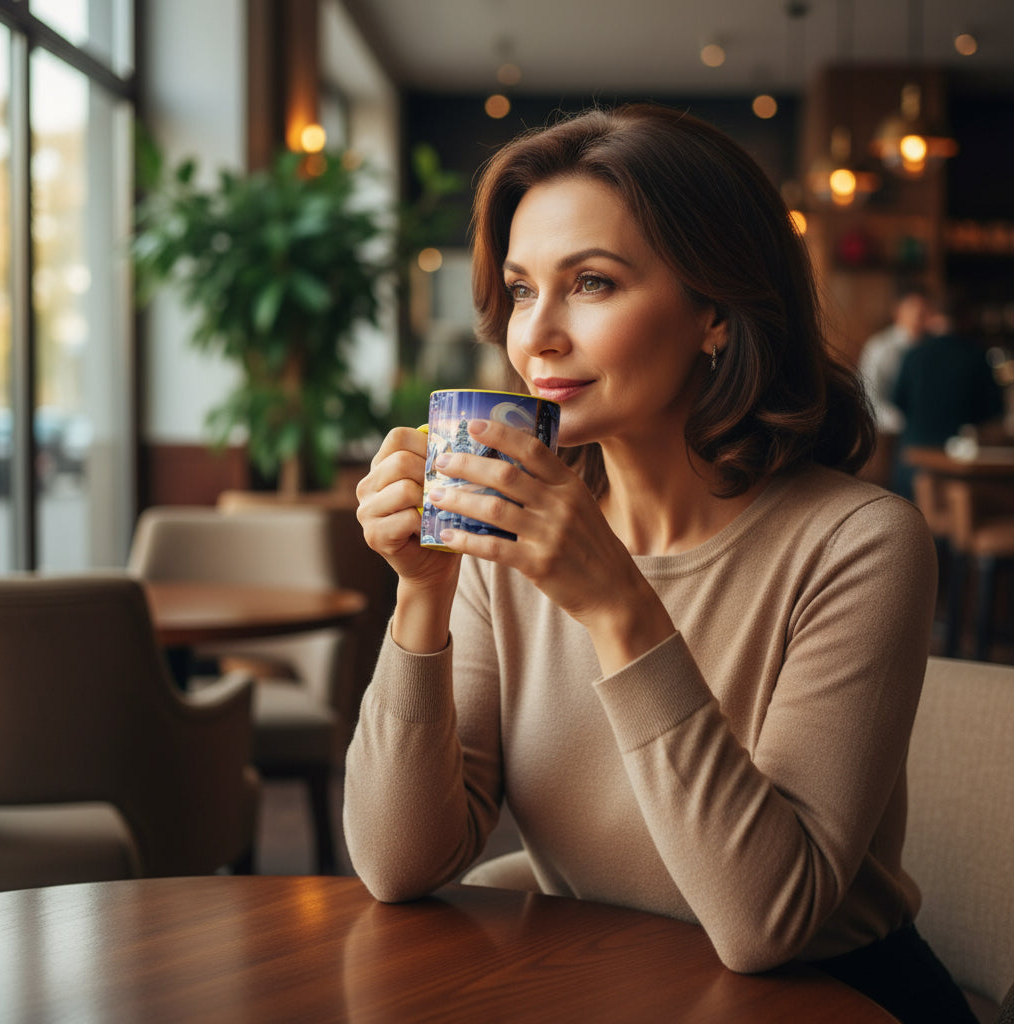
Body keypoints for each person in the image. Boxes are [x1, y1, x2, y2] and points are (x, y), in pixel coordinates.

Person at [345, 103, 975, 1023]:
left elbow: (765, 923)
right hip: (602, 986)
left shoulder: (860, 543)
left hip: (832, 1002)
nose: (537, 336)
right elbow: (398, 865)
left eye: (591, 283)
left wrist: (618, 608)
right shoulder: (505, 538)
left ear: (715, 313)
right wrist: (422, 596)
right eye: (522, 290)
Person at [891, 316, 1007, 499]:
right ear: (966, 321)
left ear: (935, 319)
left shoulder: (914, 353)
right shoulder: (975, 354)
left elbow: (897, 400)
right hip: (960, 460)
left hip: (913, 454)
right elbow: (993, 410)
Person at [858, 288, 931, 435]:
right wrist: (902, 422)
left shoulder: (932, 347)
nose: (918, 314)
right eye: (912, 307)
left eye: (924, 309)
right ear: (897, 311)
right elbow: (868, 397)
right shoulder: (880, 347)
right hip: (890, 433)